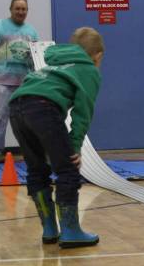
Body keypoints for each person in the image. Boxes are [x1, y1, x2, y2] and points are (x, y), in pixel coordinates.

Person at [10, 27, 104, 248]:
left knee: (37, 169)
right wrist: (75, 147)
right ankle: (71, 230)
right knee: (68, 169)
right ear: (97, 56)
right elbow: (83, 113)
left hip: (16, 107)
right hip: (43, 107)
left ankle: (50, 229)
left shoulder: (55, 61)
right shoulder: (89, 70)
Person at [0, 0, 39, 163]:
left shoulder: (31, 32)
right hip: (3, 82)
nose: (21, 12)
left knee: (28, 120)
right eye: (17, 9)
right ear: (11, 9)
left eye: (24, 9)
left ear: (27, 11)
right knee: (0, 116)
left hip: (26, 83)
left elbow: (37, 56)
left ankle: (32, 151)